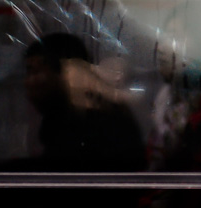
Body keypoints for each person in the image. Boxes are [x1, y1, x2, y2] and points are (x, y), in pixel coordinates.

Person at [23, 33, 147, 171]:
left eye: (35, 72)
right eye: (28, 73)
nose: (29, 82)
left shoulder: (103, 128)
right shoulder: (57, 124)